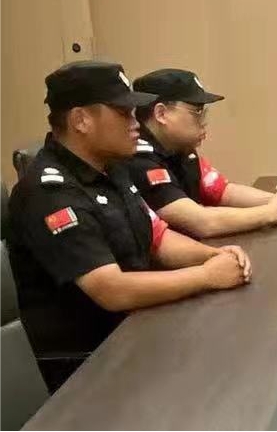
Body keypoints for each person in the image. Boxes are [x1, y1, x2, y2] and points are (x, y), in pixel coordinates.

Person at [7, 61, 252, 391]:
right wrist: (207, 276)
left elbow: (156, 238)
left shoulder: (112, 168)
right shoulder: (49, 193)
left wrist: (213, 256)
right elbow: (111, 290)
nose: (136, 123)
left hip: (135, 333)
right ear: (81, 120)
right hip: (86, 369)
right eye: (124, 113)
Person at [125, 68, 277, 239]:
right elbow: (201, 223)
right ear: (161, 114)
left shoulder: (179, 148)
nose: (203, 122)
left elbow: (221, 191)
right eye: (197, 112)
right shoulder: (139, 159)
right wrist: (271, 213)